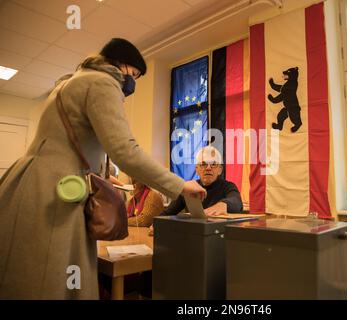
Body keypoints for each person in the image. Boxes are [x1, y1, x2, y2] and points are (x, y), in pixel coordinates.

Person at [0, 38, 206, 299]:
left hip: (34, 183)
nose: (133, 84)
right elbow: (125, 150)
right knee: (49, 281)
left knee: (27, 274)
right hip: (56, 190)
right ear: (120, 64)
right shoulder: (102, 82)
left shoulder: (72, 82)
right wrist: (180, 184)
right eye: (134, 75)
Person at [161, 146, 243, 217]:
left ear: (220, 170)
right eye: (203, 164)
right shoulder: (190, 188)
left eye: (213, 164)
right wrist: (156, 224)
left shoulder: (228, 186)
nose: (208, 168)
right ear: (197, 169)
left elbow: (237, 202)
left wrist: (223, 205)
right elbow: (168, 212)